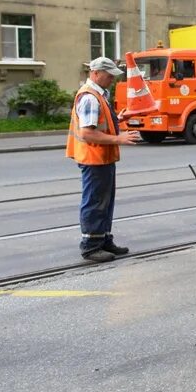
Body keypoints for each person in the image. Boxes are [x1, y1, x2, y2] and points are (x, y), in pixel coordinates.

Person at [66, 57, 141, 262]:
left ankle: (104, 239)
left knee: (105, 201)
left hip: (101, 158)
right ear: (96, 73)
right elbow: (88, 133)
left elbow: (99, 122)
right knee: (95, 201)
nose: (112, 80)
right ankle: (91, 246)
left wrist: (118, 119)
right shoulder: (90, 97)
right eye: (109, 76)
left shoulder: (98, 94)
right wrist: (120, 138)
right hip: (94, 159)